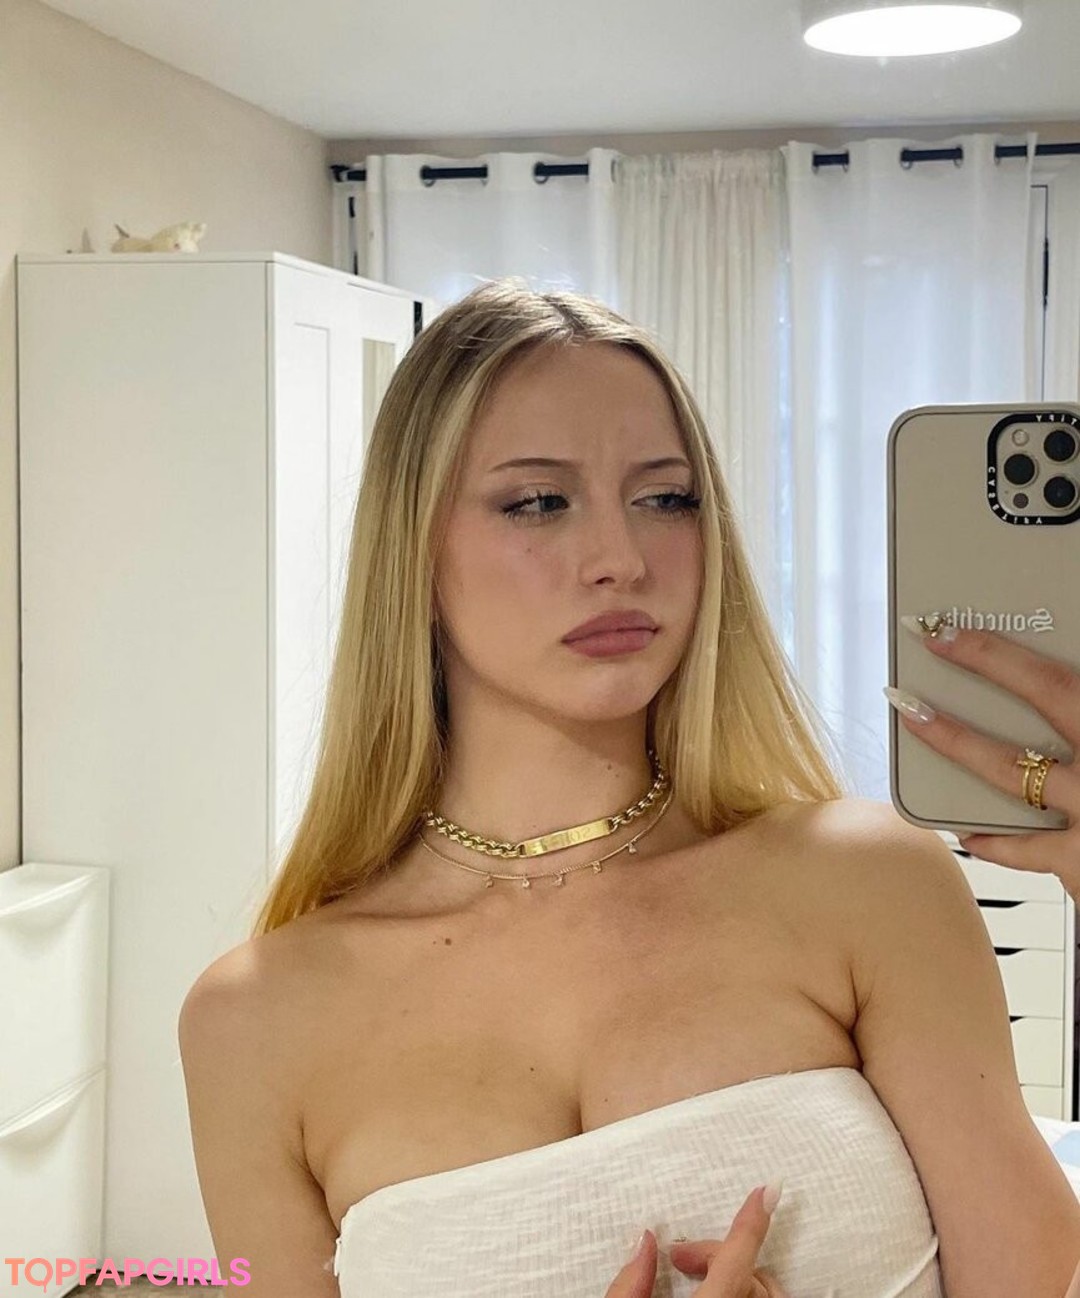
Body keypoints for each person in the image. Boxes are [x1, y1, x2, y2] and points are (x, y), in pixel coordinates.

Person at [178, 278, 1080, 1298]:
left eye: (665, 498)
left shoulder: (871, 882)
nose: (621, 559)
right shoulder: (250, 1023)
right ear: (413, 553)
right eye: (537, 502)